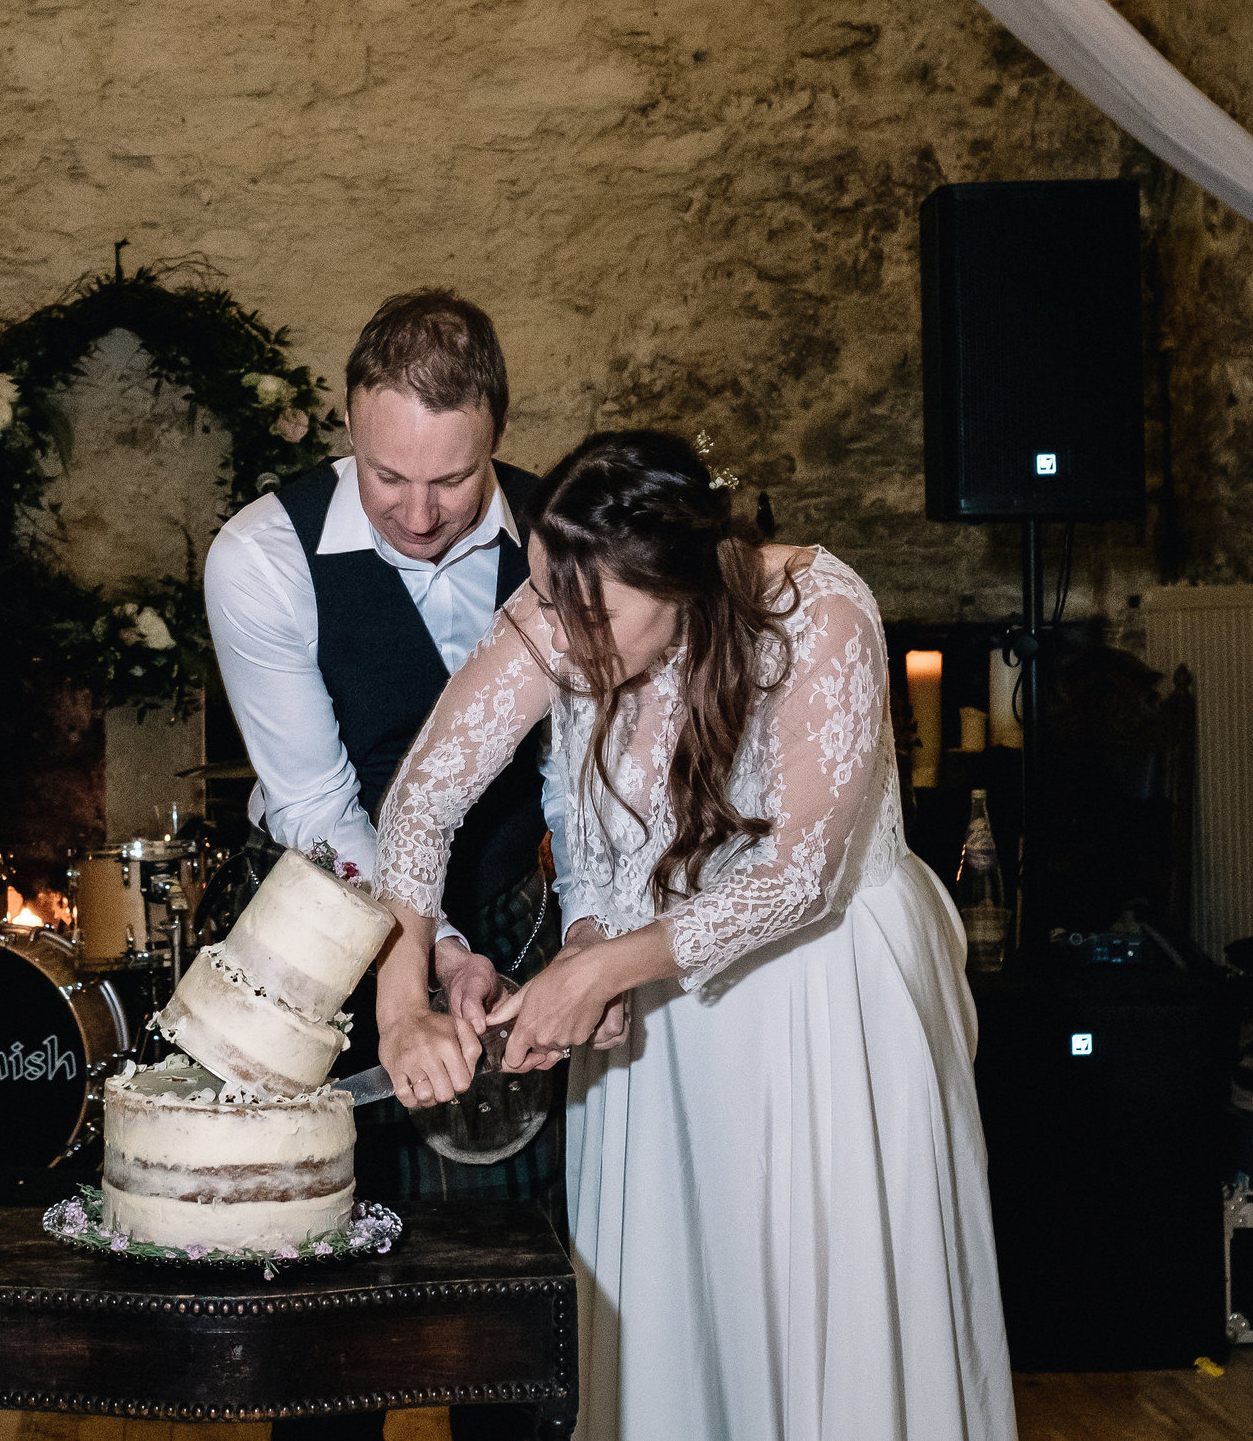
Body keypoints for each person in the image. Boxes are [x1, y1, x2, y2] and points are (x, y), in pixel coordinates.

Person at [371, 429, 1014, 1441]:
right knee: (677, 1331)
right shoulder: (570, 597)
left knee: (817, 1327)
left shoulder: (819, 611)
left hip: (819, 998)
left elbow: (797, 876)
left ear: (682, 581)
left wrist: (607, 964)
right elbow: (424, 798)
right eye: (544, 594)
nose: (559, 635)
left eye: (591, 614)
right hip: (656, 1032)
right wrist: (411, 988)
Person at [204, 288, 563, 1441]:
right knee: (321, 1323)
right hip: (316, 928)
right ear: (350, 426)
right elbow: (318, 803)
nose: (415, 513)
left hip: (513, 908)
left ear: (496, 432)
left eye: (449, 481)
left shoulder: (567, 538)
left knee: (502, 1306)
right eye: (385, 474)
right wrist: (430, 953)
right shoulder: (261, 553)